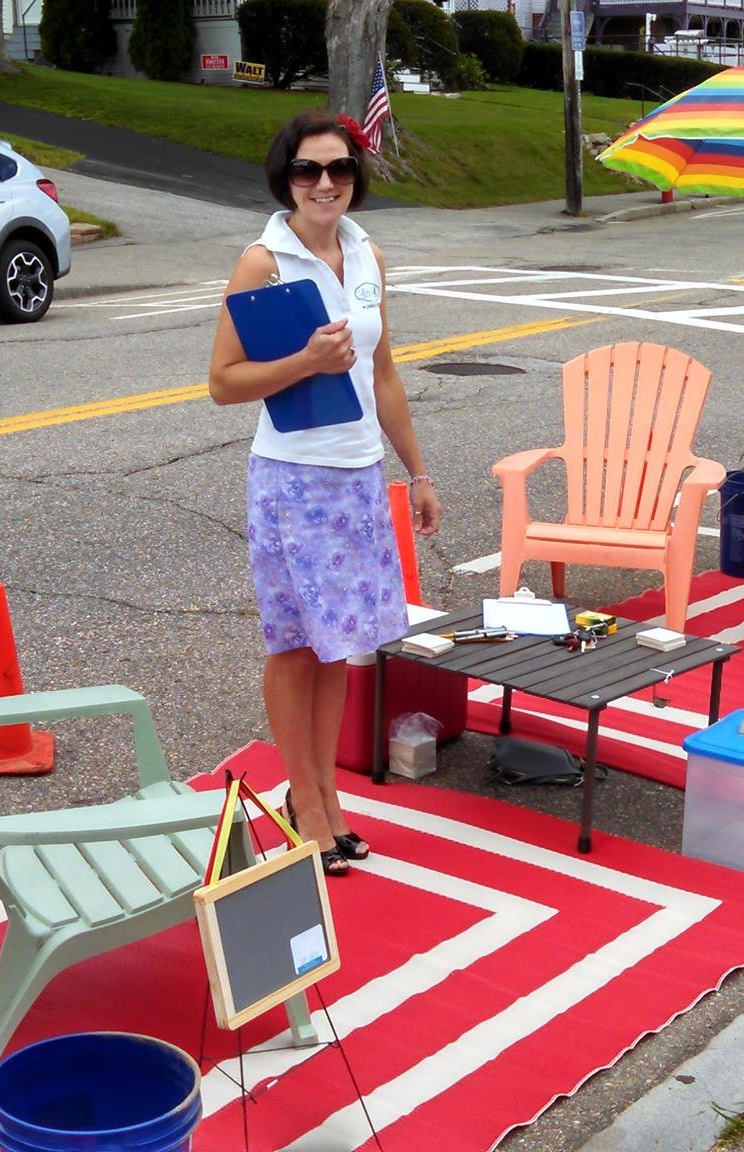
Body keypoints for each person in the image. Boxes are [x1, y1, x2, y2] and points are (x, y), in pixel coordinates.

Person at [208, 109, 442, 877]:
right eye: (308, 170)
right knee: (295, 644)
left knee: (339, 644)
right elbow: (223, 384)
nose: (324, 183)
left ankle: (328, 795)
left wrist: (418, 471)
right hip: (292, 480)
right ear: (286, 178)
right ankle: (302, 802)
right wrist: (306, 361)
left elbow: (384, 374)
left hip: (359, 476)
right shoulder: (262, 262)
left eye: (339, 169)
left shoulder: (366, 253)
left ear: (355, 177)